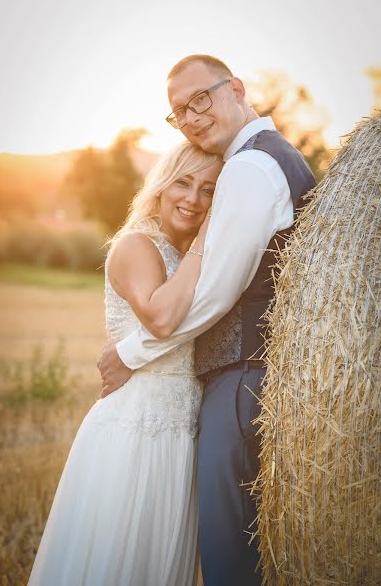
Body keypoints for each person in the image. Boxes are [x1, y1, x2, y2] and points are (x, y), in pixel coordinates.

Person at [98, 54, 317, 586]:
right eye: (179, 112)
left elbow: (215, 295)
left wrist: (128, 355)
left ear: (236, 88)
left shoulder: (249, 167)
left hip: (240, 378)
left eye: (202, 99)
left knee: (227, 557)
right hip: (247, 380)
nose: (193, 117)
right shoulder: (276, 158)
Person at [28, 141, 223, 586]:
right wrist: (207, 241)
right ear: (161, 184)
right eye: (184, 182)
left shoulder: (194, 256)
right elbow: (160, 318)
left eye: (209, 191)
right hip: (138, 426)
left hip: (182, 431)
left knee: (160, 563)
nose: (193, 199)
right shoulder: (137, 245)